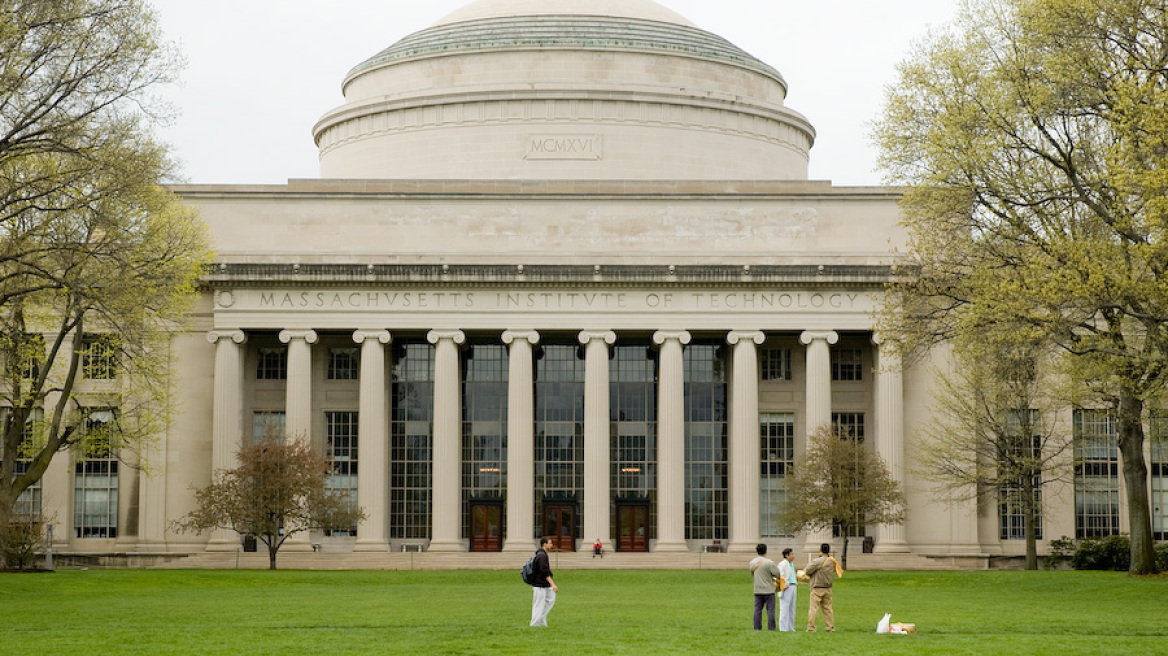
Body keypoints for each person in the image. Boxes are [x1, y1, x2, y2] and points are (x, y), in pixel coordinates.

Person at [804, 542, 844, 632]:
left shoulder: (818, 561)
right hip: (828, 587)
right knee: (828, 608)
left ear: (820, 550)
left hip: (817, 587)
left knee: (814, 608)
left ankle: (811, 627)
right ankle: (830, 627)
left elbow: (807, 570)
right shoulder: (832, 561)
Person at [749, 543, 783, 630]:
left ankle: (757, 627)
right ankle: (771, 627)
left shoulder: (752, 563)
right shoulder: (769, 562)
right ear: (766, 551)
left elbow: (753, 574)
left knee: (757, 610)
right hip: (769, 589)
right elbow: (777, 573)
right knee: (770, 610)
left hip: (757, 589)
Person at [530, 537, 559, 627]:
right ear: (544, 544)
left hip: (544, 584)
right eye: (550, 543)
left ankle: (541, 620)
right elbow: (544, 571)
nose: (552, 545)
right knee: (538, 604)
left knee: (550, 599)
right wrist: (552, 584)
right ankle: (535, 624)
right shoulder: (541, 556)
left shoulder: (543, 554)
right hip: (539, 585)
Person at [777, 547, 798, 632]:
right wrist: (785, 584)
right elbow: (781, 575)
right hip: (787, 587)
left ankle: (790, 627)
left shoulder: (791, 564)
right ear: (787, 555)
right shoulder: (782, 564)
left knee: (792, 608)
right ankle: (783, 628)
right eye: (792, 554)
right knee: (784, 608)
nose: (793, 556)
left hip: (793, 586)